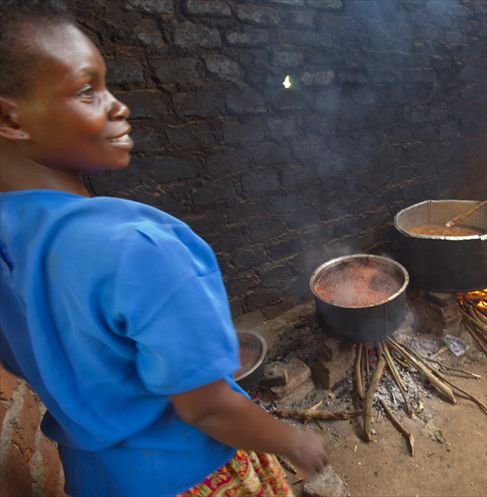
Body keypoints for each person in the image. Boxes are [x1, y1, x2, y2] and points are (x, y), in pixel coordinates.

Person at [0, 2, 327, 496]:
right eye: (88, 90)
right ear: (9, 117)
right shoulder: (136, 247)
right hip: (189, 474)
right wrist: (294, 442)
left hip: (97, 478)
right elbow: (207, 407)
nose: (118, 105)